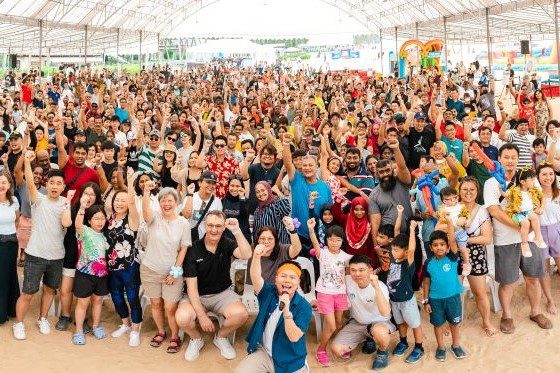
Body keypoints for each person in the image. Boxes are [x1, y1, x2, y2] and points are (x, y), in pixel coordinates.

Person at [483, 143, 551, 334]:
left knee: (534, 278)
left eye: (514, 157)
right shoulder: (492, 183)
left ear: (518, 159)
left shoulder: (529, 179)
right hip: (505, 240)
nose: (510, 161)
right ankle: (507, 315)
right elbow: (494, 211)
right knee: (508, 282)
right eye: (506, 157)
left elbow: (539, 200)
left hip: (529, 239)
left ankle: (536, 312)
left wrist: (536, 213)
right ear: (500, 159)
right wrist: (520, 225)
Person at [176, 212, 252, 361]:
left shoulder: (227, 243)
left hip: (222, 294)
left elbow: (246, 254)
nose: (214, 230)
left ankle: (221, 337)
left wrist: (236, 231)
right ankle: (197, 339)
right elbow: (192, 289)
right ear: (205, 226)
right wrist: (202, 316)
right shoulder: (193, 249)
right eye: (210, 225)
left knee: (241, 314)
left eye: (218, 226)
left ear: (224, 227)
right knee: (182, 317)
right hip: (197, 295)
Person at [13, 152, 72, 340]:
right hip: (35, 254)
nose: (55, 186)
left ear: (63, 186)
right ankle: (19, 323)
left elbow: (66, 223)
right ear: (46, 184)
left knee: (49, 290)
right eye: (52, 183)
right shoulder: (38, 199)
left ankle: (43, 319)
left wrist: (68, 204)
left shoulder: (66, 203)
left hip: (56, 256)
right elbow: (29, 181)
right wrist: (28, 162)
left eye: (58, 183)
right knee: (28, 292)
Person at [234, 253, 312, 373]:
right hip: (264, 353)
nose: (287, 280)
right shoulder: (268, 292)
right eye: (283, 276)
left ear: (298, 283)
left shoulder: (304, 307)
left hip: (290, 360)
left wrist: (286, 311)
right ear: (276, 279)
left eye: (292, 277)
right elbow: (255, 277)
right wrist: (256, 256)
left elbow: (294, 336)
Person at [141, 184, 191, 353]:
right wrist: (146, 193)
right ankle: (161, 331)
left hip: (172, 273)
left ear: (177, 203)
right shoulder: (154, 218)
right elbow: (146, 213)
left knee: (170, 308)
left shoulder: (183, 223)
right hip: (150, 269)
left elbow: (184, 248)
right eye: (163, 200)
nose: (166, 203)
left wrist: (175, 272)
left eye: (170, 200)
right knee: (155, 304)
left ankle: (175, 335)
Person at [330, 255, 394, 370]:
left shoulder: (380, 286)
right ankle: (368, 338)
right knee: (336, 349)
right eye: (353, 270)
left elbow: (385, 313)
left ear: (370, 270)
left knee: (379, 332)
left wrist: (376, 287)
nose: (357, 274)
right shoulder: (348, 280)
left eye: (361, 270)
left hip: (379, 323)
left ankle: (382, 352)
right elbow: (330, 281)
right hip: (357, 323)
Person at [56, 182, 103, 332]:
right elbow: (66, 223)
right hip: (72, 253)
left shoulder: (99, 212)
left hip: (90, 259)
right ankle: (65, 315)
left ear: (97, 197)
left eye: (92, 194)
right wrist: (69, 202)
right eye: (86, 193)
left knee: (86, 291)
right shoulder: (74, 207)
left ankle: (82, 319)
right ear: (81, 194)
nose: (88, 197)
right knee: (66, 288)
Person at [308, 220, 352, 367]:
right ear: (326, 240)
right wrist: (311, 230)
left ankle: (336, 345)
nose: (334, 242)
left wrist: (347, 294)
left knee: (339, 323)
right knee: (331, 325)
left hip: (340, 293)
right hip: (325, 292)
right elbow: (315, 242)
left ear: (342, 241)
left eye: (338, 240)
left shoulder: (346, 257)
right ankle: (321, 350)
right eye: (331, 239)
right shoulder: (323, 253)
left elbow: (348, 275)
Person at [105, 169, 141, 347]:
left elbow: (133, 203)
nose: (120, 203)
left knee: (133, 298)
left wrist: (129, 181)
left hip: (129, 265)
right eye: (117, 200)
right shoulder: (109, 218)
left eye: (123, 201)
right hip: (112, 267)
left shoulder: (132, 218)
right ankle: (125, 324)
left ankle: (135, 329)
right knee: (116, 297)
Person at [422, 219, 466, 362]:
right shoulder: (428, 263)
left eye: (442, 244)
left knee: (454, 323)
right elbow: (426, 282)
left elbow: (452, 240)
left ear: (447, 247)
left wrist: (449, 224)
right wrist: (426, 301)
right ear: (431, 247)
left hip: (453, 298)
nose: (439, 247)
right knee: (438, 324)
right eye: (435, 245)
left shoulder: (452, 257)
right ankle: (441, 347)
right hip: (435, 300)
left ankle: (455, 345)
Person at [72, 202, 110, 345]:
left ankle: (95, 326)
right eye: (96, 218)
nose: (100, 221)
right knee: (82, 303)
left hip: (102, 275)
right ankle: (79, 331)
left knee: (98, 301)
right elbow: (77, 224)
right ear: (89, 220)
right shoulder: (85, 231)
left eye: (102, 218)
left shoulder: (106, 235)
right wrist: (82, 207)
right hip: (84, 274)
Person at [387, 221, 424, 363]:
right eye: (393, 249)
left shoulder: (407, 263)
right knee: (400, 323)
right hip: (394, 300)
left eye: (396, 250)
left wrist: (412, 228)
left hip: (407, 301)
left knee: (414, 324)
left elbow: (412, 249)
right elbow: (396, 232)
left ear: (406, 251)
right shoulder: (393, 259)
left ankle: (419, 347)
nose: (393, 252)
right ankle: (403, 342)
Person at [502, 167, 547, 257]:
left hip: (528, 212)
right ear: (522, 182)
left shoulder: (533, 190)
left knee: (534, 216)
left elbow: (543, 197)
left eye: (534, 179)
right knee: (525, 223)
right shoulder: (514, 190)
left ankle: (537, 237)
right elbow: (505, 195)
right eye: (531, 180)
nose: (533, 182)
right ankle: (524, 244)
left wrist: (541, 208)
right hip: (517, 213)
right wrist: (501, 189)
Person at [535, 163, 560, 315]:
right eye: (544, 174)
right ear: (538, 177)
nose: (548, 177)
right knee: (545, 269)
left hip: (557, 230)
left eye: (551, 174)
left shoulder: (558, 193)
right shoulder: (534, 194)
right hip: (540, 232)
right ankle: (550, 300)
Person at [0, 170, 20, 325]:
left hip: (11, 244)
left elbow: (17, 221)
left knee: (9, 276)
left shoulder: (14, 201)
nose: (1, 185)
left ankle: (11, 310)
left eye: (4, 182)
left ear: (9, 185)